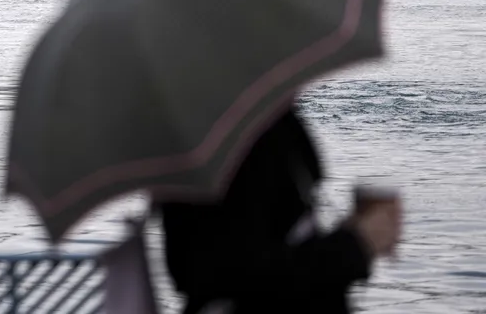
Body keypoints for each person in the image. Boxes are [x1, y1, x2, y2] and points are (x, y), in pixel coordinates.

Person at [158, 104, 401, 314]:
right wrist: (355, 244)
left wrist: (352, 235)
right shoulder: (235, 137)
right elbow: (243, 273)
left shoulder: (246, 125)